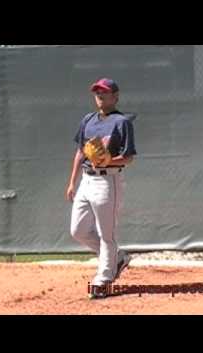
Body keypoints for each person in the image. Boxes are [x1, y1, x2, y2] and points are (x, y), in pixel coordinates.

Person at [66, 78, 137, 299]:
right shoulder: (88, 120)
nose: (100, 96)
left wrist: (109, 161)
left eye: (104, 93)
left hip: (108, 181)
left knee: (107, 234)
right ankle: (118, 258)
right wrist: (72, 182)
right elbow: (80, 152)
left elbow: (128, 158)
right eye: (97, 93)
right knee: (78, 230)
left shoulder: (122, 122)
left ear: (115, 97)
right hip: (87, 181)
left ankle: (103, 279)